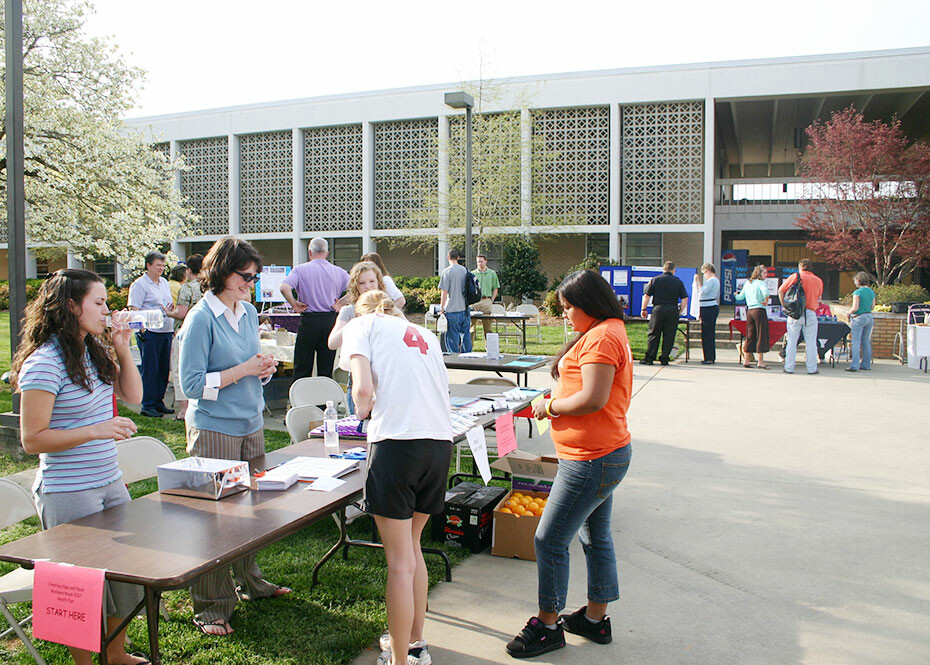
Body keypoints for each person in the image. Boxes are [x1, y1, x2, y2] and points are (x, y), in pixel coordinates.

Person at [11, 269, 148, 665]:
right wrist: (96, 430)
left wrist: (122, 346)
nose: (109, 310)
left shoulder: (94, 350)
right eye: (100, 302)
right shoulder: (44, 362)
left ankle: (116, 656)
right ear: (71, 306)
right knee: (79, 589)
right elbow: (32, 439)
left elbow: (134, 396)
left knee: (122, 580)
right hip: (69, 490)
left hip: (109, 481)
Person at [506, 269, 632, 659]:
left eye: (567, 308)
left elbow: (593, 398)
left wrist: (550, 406)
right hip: (600, 453)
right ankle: (595, 619)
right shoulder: (604, 330)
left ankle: (547, 625)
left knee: (549, 538)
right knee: (595, 537)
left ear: (588, 304)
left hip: (592, 459)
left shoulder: (603, 336)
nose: (564, 315)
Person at [178, 237, 289, 636]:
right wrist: (243, 370)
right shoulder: (200, 318)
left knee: (250, 513)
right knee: (216, 520)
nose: (252, 284)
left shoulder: (246, 312)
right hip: (214, 428)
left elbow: (246, 366)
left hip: (250, 423)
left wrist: (262, 369)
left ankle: (250, 580)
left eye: (254, 277)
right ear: (222, 272)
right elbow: (191, 385)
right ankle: (211, 604)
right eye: (246, 276)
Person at [341, 290, 452, 665]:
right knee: (413, 549)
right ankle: (416, 643)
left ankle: (400, 660)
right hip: (438, 445)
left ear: (363, 310)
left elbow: (362, 390)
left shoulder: (361, 325)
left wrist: (361, 414)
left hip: (397, 445)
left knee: (400, 563)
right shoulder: (426, 335)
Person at [279, 237, 350, 379]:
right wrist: (341, 302)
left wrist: (294, 303)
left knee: (302, 366)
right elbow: (355, 289)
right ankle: (324, 400)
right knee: (326, 367)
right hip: (330, 320)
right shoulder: (339, 272)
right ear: (327, 253)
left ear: (309, 252)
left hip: (309, 320)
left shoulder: (300, 270)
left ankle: (300, 399)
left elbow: (284, 287)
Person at [328, 260, 388, 414]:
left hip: (387, 378)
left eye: (372, 281)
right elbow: (332, 342)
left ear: (379, 282)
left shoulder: (388, 307)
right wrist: (355, 323)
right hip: (358, 379)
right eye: (362, 283)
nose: (368, 286)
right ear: (356, 286)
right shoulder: (349, 310)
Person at [128, 250, 176, 417]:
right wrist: (141, 329)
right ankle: (148, 404)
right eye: (158, 265)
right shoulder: (140, 284)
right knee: (150, 368)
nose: (161, 268)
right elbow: (134, 308)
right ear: (148, 266)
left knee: (163, 369)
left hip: (165, 329)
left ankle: (158, 400)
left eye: (163, 265)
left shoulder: (163, 282)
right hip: (150, 330)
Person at [164, 254, 205, 420]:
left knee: (180, 369)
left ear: (189, 270)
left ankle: (184, 409)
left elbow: (181, 313)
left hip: (185, 332)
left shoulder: (187, 288)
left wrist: (169, 313)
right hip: (204, 334)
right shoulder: (207, 287)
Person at [778, 258, 824, 375]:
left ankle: (789, 367)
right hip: (811, 312)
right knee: (811, 342)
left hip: (795, 313)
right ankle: (812, 368)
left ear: (800, 267)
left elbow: (780, 290)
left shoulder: (795, 276)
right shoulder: (818, 280)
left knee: (792, 341)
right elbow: (819, 299)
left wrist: (785, 306)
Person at [639, 261, 688, 366]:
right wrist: (680, 311)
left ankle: (649, 358)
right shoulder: (678, 282)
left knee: (654, 334)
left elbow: (646, 295)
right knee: (669, 335)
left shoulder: (655, 280)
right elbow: (685, 298)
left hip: (658, 308)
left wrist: (643, 309)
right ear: (674, 270)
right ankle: (664, 358)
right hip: (672, 309)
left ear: (663, 269)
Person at [735, 264, 771, 369]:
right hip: (759, 310)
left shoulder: (748, 283)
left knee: (750, 335)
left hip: (750, 310)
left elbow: (740, 297)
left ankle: (746, 360)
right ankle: (760, 361)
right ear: (759, 273)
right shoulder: (761, 283)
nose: (766, 275)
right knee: (761, 334)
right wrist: (766, 299)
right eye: (764, 272)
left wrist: (735, 294)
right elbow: (766, 292)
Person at [438, 248, 472, 353]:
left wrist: (441, 307)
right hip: (465, 309)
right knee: (466, 334)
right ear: (458, 258)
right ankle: (467, 356)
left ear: (448, 257)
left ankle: (454, 358)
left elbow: (444, 292)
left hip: (452, 309)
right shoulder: (465, 270)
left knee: (452, 337)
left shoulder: (447, 271)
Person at [847, 271, 875, 372]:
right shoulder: (871, 292)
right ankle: (866, 365)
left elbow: (855, 307)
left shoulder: (857, 292)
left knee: (856, 341)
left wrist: (849, 313)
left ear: (858, 281)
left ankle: (854, 365)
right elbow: (872, 307)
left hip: (859, 317)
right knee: (866, 341)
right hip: (869, 317)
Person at [471, 253, 501, 338]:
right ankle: (469, 349)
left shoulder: (492, 273)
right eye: (478, 262)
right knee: (471, 326)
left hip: (486, 300)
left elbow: (495, 288)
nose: (480, 263)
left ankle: (489, 348)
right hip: (474, 301)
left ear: (486, 261)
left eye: (481, 261)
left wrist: (492, 299)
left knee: (488, 326)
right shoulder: (472, 274)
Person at [698, 263, 720, 364]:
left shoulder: (711, 281)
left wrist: (698, 283)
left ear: (707, 271)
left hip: (708, 307)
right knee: (708, 332)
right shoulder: (715, 280)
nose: (704, 276)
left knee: (707, 333)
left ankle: (709, 357)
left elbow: (703, 292)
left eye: (704, 273)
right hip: (709, 306)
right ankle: (709, 356)